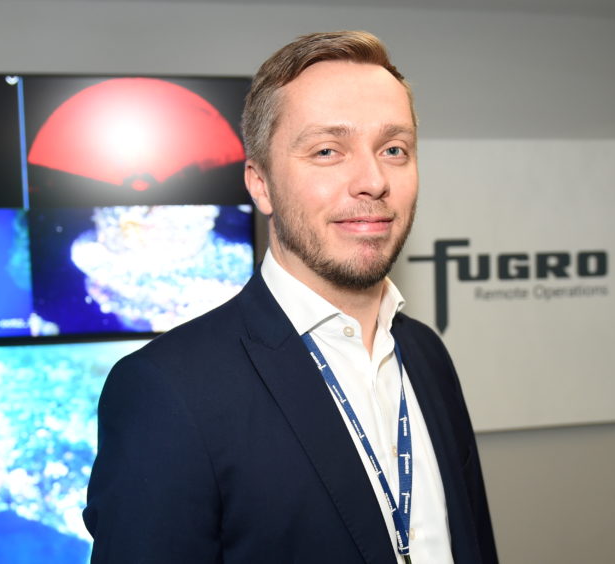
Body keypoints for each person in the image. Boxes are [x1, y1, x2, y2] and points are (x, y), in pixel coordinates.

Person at [83, 30, 498, 564]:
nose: (372, 180)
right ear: (260, 184)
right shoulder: (168, 391)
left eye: (394, 149)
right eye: (328, 150)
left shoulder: (426, 354)